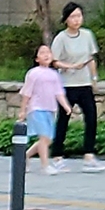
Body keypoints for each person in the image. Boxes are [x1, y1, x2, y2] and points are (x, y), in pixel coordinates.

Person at [48, 2, 102, 172]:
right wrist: (70, 66)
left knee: (91, 118)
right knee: (63, 120)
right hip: (67, 85)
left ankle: (89, 155)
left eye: (79, 16)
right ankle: (57, 156)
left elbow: (91, 58)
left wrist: (94, 79)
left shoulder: (87, 35)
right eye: (73, 16)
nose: (77, 20)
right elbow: (53, 61)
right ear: (66, 19)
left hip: (84, 83)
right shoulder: (61, 38)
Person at [18, 44, 70, 180]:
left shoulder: (54, 74)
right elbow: (26, 93)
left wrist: (66, 106)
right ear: (36, 58)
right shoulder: (33, 73)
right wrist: (23, 110)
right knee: (43, 137)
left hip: (50, 109)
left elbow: (59, 92)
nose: (46, 55)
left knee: (47, 139)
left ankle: (25, 156)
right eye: (42, 53)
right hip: (36, 108)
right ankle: (45, 165)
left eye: (48, 52)